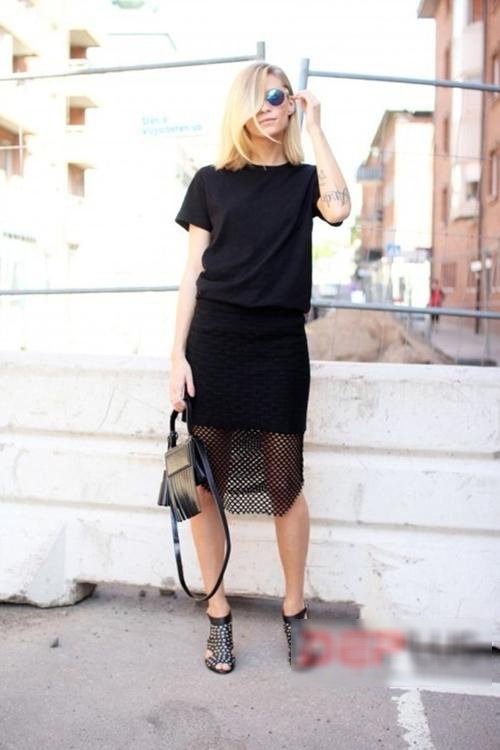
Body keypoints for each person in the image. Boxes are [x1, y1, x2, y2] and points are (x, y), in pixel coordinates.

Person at [170, 61, 350, 673]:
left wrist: (317, 128)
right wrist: (176, 357)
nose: (270, 107)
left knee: (284, 484)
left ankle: (294, 611)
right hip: (215, 341)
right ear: (241, 107)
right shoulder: (209, 182)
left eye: (280, 97)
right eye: (260, 97)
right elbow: (192, 276)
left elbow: (340, 209)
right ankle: (217, 613)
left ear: (291, 105)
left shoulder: (304, 180)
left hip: (278, 344)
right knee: (204, 487)